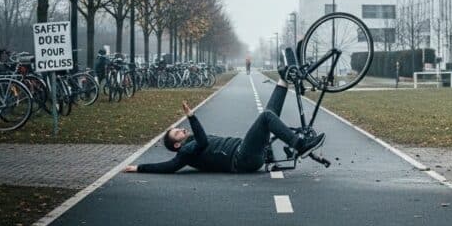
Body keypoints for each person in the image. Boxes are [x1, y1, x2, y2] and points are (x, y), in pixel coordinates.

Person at [124, 78, 323, 174]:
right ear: (176, 145)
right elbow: (168, 166)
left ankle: (283, 80)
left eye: (179, 128)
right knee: (266, 117)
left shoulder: (189, 144)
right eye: (177, 133)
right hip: (242, 159)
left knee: (270, 112)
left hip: (249, 152)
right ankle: (300, 145)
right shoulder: (187, 151)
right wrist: (139, 168)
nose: (182, 129)